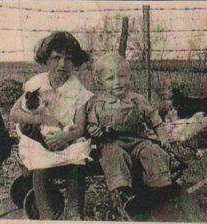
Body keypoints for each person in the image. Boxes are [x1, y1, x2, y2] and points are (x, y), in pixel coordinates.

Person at [10, 31, 93, 220]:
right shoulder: (36, 85)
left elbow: (80, 127)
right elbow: (15, 114)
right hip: (39, 138)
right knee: (40, 164)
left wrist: (65, 138)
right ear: (46, 60)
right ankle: (48, 215)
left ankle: (75, 212)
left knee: (77, 158)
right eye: (56, 58)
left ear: (76, 63)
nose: (62, 64)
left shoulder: (79, 92)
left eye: (69, 59)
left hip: (67, 140)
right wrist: (43, 120)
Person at [87, 53, 178, 218]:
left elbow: (154, 119)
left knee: (151, 151)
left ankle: (160, 186)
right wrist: (94, 131)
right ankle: (123, 192)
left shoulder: (137, 100)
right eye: (110, 78)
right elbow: (91, 125)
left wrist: (163, 136)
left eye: (122, 76)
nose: (117, 82)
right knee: (113, 155)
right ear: (101, 82)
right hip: (112, 143)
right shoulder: (98, 103)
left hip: (138, 141)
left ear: (130, 77)